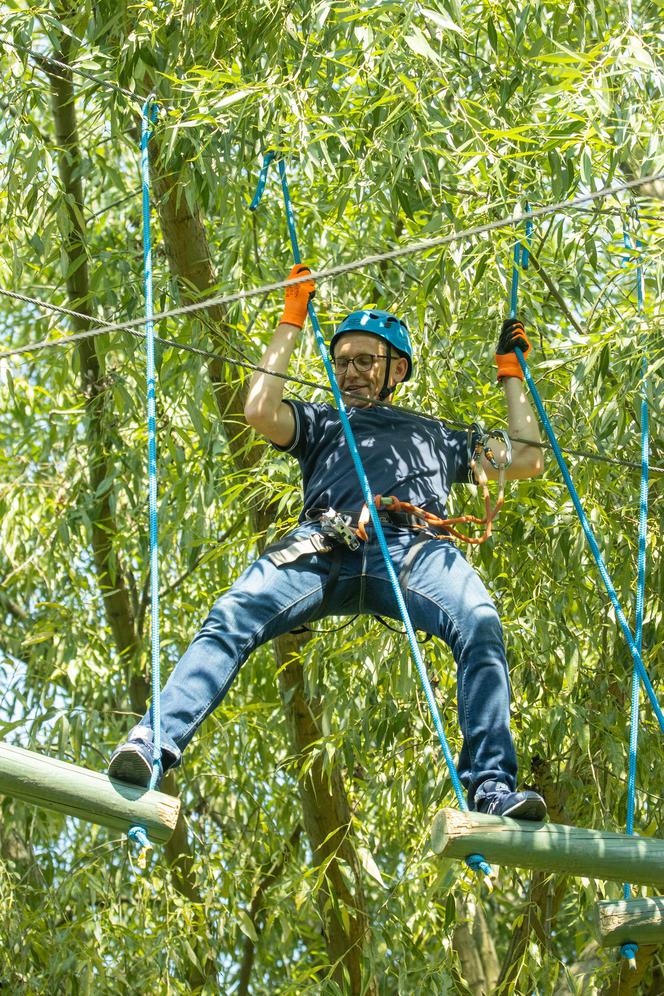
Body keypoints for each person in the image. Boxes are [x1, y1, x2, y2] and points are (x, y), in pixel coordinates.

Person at [109, 265, 547, 821]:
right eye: (342, 362)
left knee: (479, 621)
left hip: (414, 549)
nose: (351, 373)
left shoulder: (437, 435)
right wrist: (291, 319)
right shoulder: (322, 421)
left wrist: (512, 374)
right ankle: (152, 747)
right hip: (325, 542)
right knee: (232, 614)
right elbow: (259, 411)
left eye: (365, 361)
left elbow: (527, 458)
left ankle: (491, 788)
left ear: (397, 369)